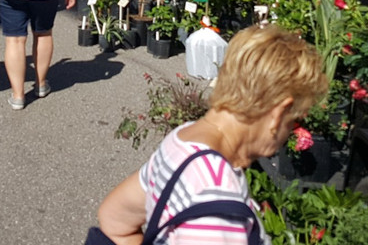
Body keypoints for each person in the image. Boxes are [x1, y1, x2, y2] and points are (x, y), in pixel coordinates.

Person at [94, 24, 327, 244]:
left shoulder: (182, 140)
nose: (291, 132)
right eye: (295, 120)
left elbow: (115, 221)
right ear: (279, 113)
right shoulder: (217, 200)